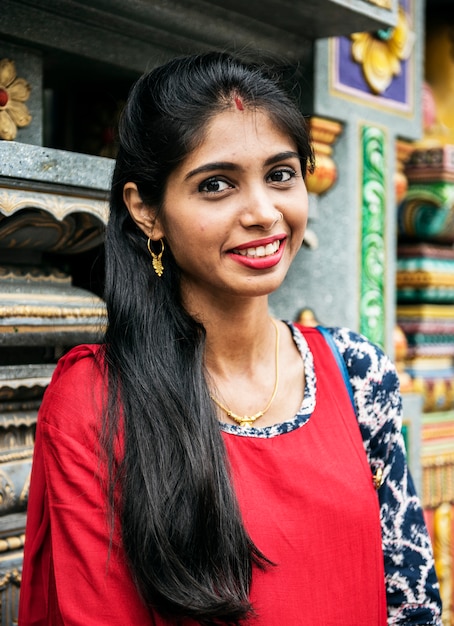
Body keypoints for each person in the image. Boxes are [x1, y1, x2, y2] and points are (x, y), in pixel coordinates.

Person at [19, 52, 442, 625]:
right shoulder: (96, 399)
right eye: (217, 185)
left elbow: (411, 599)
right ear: (147, 210)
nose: (264, 213)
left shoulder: (357, 371)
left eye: (281, 175)